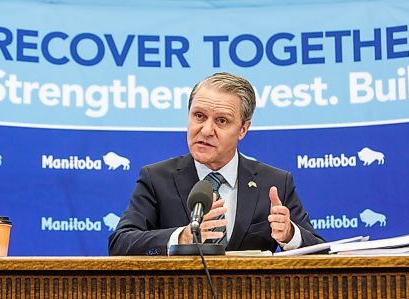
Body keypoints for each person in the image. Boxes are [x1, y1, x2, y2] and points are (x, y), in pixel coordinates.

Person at [108, 72, 324, 255]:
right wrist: (182, 237)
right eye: (199, 116)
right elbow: (120, 243)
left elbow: (321, 252)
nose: (206, 130)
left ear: (243, 129)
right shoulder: (156, 178)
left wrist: (289, 234)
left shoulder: (275, 183)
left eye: (222, 121)